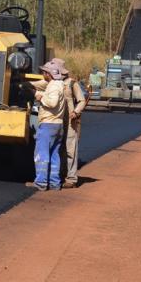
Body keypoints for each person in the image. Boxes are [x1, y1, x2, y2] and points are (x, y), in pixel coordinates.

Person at [26, 61, 65, 191]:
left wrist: (37, 95)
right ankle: (54, 183)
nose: (43, 74)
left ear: (49, 74)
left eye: (44, 72)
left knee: (41, 154)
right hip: (58, 125)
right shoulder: (58, 84)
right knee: (54, 155)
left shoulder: (54, 87)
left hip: (48, 124)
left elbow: (52, 103)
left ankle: (41, 182)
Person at [52, 58, 88, 188]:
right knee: (57, 148)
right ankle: (58, 175)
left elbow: (82, 100)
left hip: (70, 121)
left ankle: (71, 179)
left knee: (70, 149)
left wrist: (76, 112)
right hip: (55, 120)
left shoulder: (72, 83)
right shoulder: (52, 82)